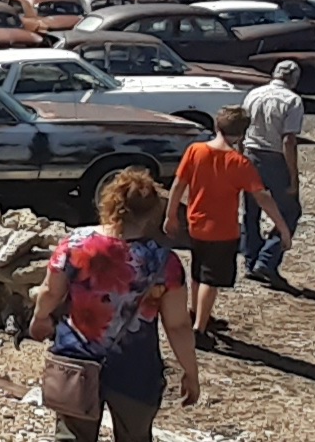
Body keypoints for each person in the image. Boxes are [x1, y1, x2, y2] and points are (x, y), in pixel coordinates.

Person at [31, 168, 200, 442]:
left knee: (72, 437)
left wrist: (39, 318)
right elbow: (178, 325)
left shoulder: (76, 243)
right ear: (151, 213)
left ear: (109, 203)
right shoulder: (165, 262)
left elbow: (50, 291)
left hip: (76, 360)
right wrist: (190, 371)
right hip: (136, 368)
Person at [164, 106, 293, 348]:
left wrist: (171, 214)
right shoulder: (239, 163)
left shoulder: (195, 151)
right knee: (211, 281)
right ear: (242, 134)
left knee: (198, 271)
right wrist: (282, 227)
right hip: (222, 229)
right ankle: (199, 330)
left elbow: (179, 184)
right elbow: (262, 197)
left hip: (196, 223)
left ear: (216, 126)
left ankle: (197, 312)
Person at [240, 60, 305, 286]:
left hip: (250, 153)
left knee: (251, 210)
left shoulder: (253, 94)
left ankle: (251, 260)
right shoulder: (292, 101)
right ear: (294, 79)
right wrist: (293, 176)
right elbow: (289, 140)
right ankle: (266, 260)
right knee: (289, 210)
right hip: (274, 157)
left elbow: (242, 128)